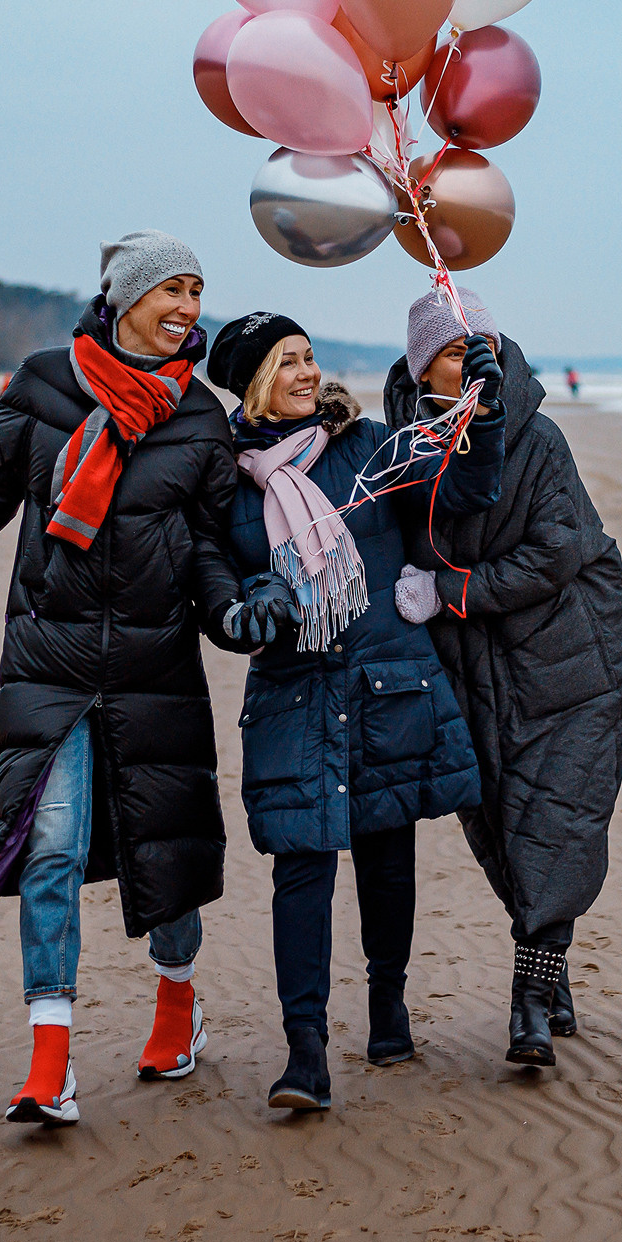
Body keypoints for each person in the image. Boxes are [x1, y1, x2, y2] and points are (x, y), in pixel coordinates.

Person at [0, 232, 242, 1128]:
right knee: (48, 846)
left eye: (198, 291)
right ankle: (50, 1059)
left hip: (157, 665)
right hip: (48, 659)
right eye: (173, 289)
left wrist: (250, 604)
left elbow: (223, 543)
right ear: (124, 296)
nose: (189, 307)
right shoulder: (42, 387)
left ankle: (176, 1005)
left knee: (169, 854)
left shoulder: (200, 418)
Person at [207, 309, 505, 1109]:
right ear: (253, 383)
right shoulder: (228, 478)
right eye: (288, 362)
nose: (308, 373)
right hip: (292, 695)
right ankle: (305, 1050)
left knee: (386, 854)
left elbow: (466, 484)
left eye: (310, 357)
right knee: (300, 868)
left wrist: (487, 404)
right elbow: (212, 581)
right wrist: (247, 606)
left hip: (383, 682)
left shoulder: (371, 442)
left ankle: (388, 1006)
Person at [384, 286, 622, 1068]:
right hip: (470, 667)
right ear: (424, 364)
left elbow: (558, 551)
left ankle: (529, 1000)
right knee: (497, 824)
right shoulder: (404, 443)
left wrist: (451, 592)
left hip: (569, 658)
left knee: (556, 821)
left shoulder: (538, 436)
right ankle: (549, 966)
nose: (473, 362)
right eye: (457, 351)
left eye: (481, 346)